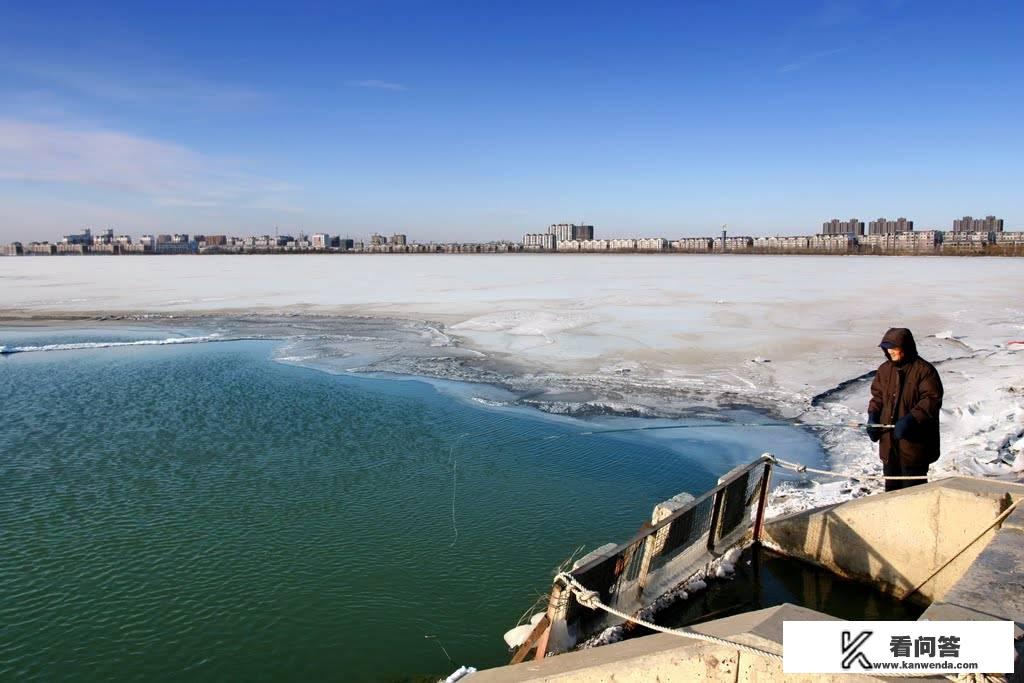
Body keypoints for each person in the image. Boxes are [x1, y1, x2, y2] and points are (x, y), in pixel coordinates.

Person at [867, 328, 943, 492]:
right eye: (887, 348)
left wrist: (911, 420)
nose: (890, 352)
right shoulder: (884, 370)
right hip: (889, 446)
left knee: (912, 494)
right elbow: (878, 397)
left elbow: (931, 400)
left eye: (894, 348)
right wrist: (873, 416)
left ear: (906, 348)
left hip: (914, 448)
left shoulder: (924, 371)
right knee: (891, 493)